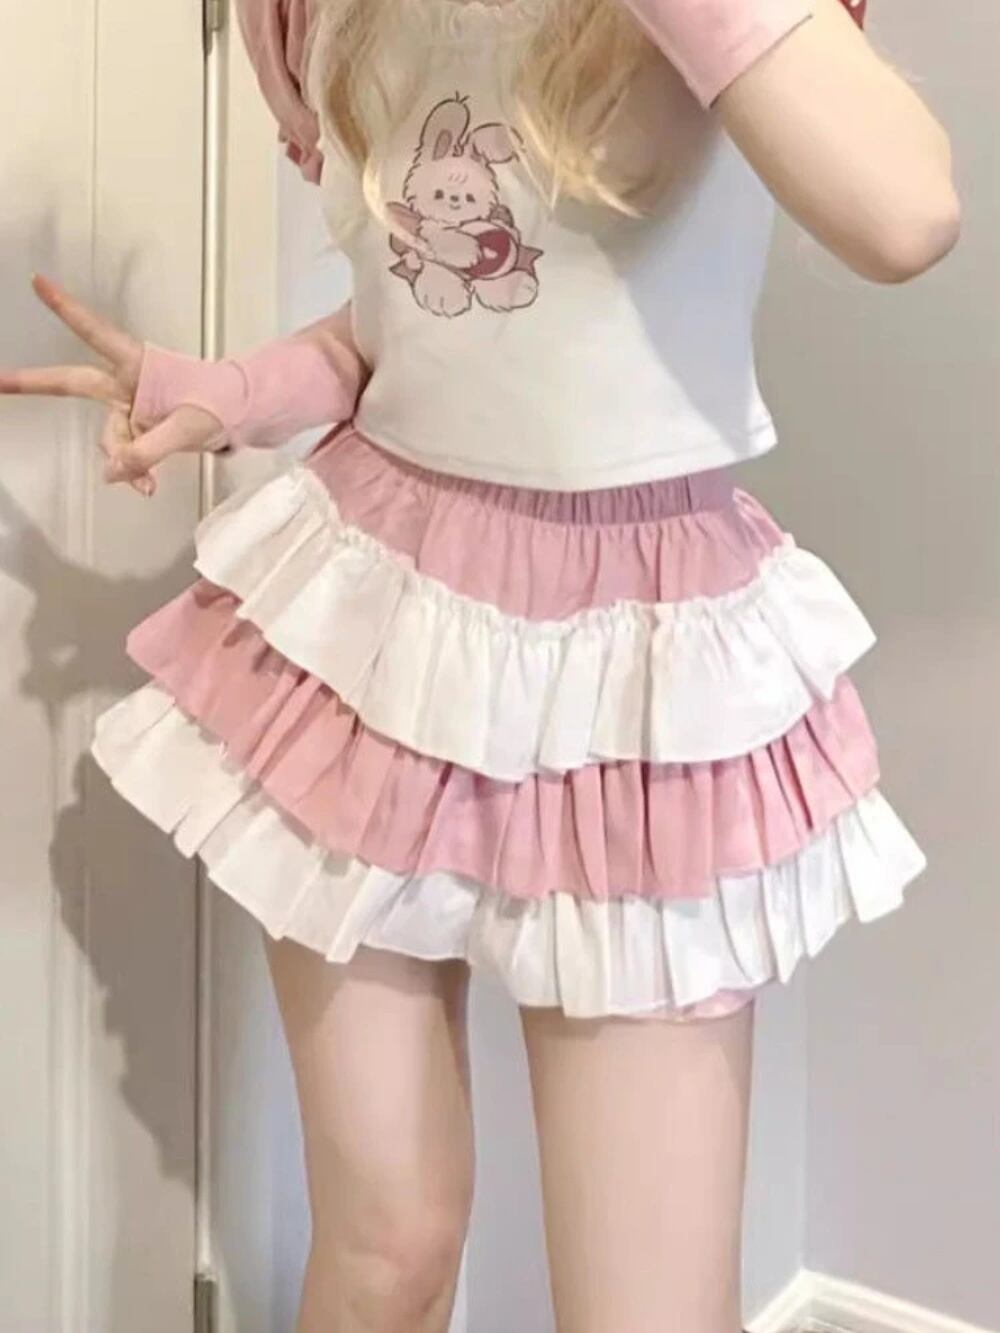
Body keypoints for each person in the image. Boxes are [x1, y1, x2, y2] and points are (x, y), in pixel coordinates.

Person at [0, 1, 958, 1329]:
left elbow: (907, 213)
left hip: (641, 674)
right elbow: (404, 329)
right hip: (371, 628)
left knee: (646, 1311)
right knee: (384, 1246)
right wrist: (236, 392)